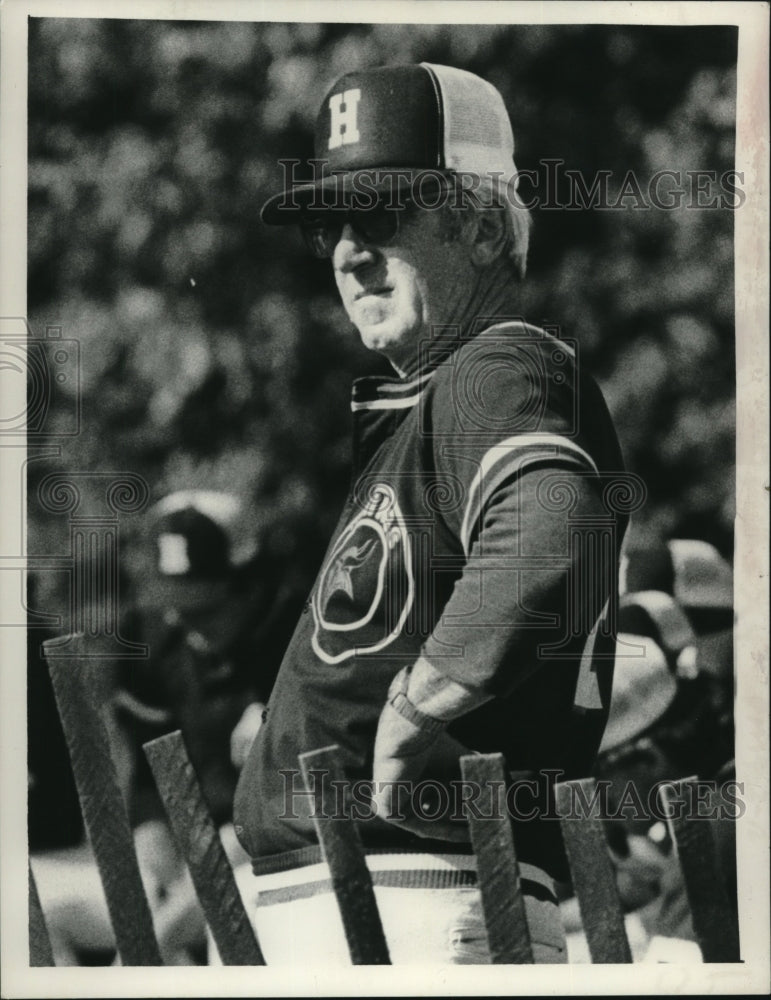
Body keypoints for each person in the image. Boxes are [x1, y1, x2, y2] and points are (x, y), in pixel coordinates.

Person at [233, 62, 630, 965]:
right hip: (386, 902)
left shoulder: (495, 367)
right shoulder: (442, 397)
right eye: (330, 225)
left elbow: (549, 525)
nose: (345, 251)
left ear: (483, 226)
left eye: (379, 215)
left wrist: (411, 714)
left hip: (415, 902)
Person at [31, 490, 290, 965]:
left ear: (253, 589)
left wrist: (279, 715)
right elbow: (147, 791)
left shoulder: (297, 645)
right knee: (38, 918)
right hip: (180, 869)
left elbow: (282, 815)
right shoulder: (149, 641)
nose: (186, 624)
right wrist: (165, 881)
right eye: (175, 604)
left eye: (204, 610)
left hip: (262, 866)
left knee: (226, 924)